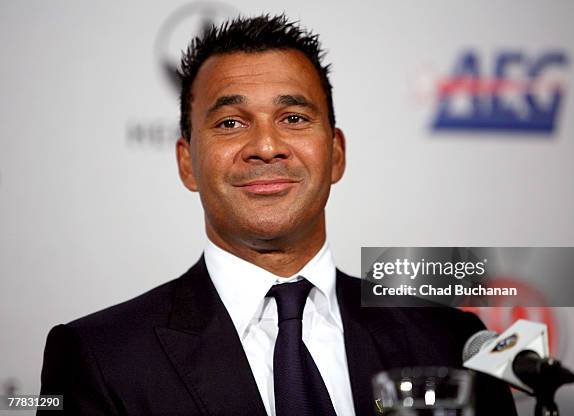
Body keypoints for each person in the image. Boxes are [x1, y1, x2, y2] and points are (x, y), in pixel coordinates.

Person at [38, 14, 517, 416]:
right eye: (230, 123)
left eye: (293, 118)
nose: (266, 147)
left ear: (336, 154)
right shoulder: (100, 356)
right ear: (187, 163)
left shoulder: (452, 342)